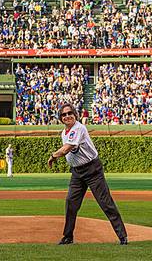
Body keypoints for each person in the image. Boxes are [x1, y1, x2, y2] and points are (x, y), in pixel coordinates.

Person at [48, 103, 128, 245]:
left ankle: (122, 236)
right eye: (64, 114)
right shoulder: (63, 133)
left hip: (92, 170)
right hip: (77, 172)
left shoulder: (78, 128)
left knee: (105, 203)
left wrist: (54, 156)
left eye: (69, 113)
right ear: (60, 118)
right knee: (71, 203)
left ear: (75, 114)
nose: (67, 116)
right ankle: (68, 237)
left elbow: (67, 148)